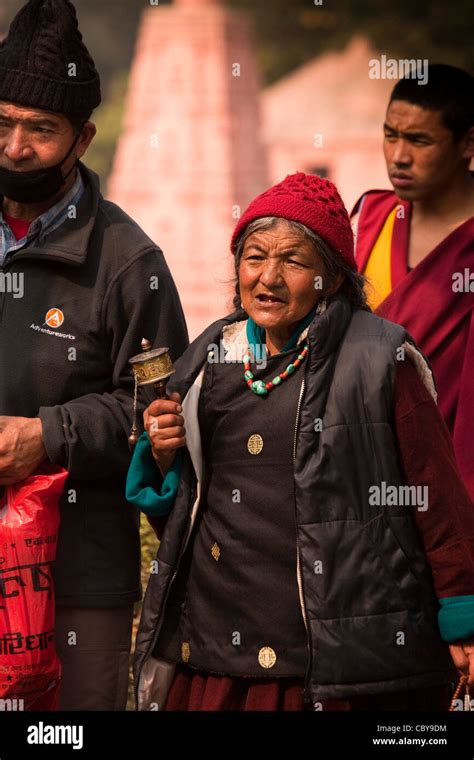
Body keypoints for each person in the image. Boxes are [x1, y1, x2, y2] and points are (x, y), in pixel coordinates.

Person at [127, 172, 474, 712]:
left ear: (331, 278)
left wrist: (463, 616)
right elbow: (185, 517)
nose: (268, 277)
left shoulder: (379, 361)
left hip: (338, 657)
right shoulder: (210, 360)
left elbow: (437, 499)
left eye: (294, 261)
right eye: (254, 256)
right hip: (220, 651)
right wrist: (165, 454)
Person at [0, 0, 188, 710]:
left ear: (83, 138)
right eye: (2, 122)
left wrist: (48, 435)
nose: (15, 147)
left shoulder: (127, 262)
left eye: (40, 130)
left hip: (74, 580)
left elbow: (161, 413)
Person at [351, 64, 474, 499]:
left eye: (419, 140)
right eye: (391, 135)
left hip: (447, 485)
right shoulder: (370, 220)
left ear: (468, 143)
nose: (399, 156)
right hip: (355, 473)